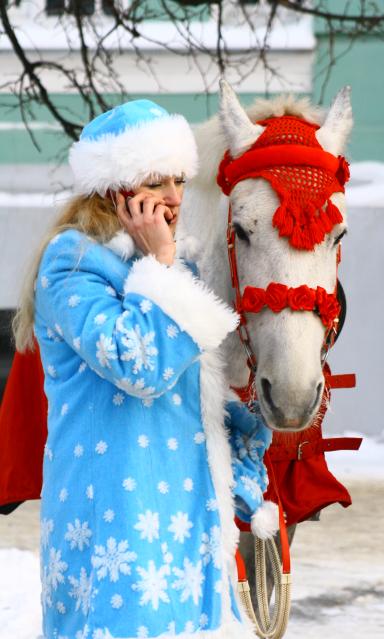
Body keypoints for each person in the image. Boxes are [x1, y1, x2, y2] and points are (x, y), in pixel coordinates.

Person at [11, 99, 277, 639]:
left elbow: (191, 397)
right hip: (116, 524)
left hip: (188, 529)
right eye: (158, 182)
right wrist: (162, 265)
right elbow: (139, 366)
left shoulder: (175, 260)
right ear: (117, 188)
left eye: (179, 180)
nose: (176, 198)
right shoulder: (73, 263)